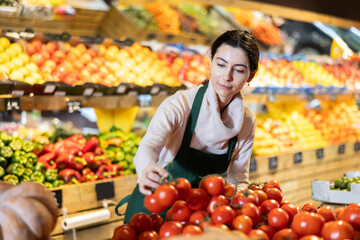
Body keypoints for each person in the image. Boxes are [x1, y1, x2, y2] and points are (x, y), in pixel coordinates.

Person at [118, 30, 259, 223]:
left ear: (251, 75)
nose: (226, 76)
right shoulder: (180, 104)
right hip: (154, 206)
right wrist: (146, 169)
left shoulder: (246, 122)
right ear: (210, 60)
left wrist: (242, 212)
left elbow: (239, 178)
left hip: (199, 217)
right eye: (221, 65)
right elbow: (149, 145)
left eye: (239, 70)